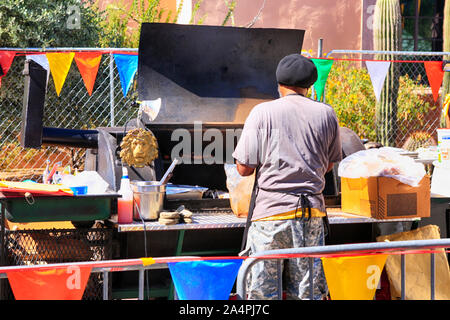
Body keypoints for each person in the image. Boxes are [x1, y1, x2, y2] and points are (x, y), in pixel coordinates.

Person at [232, 53, 342, 300]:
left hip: (269, 218)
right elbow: (329, 164)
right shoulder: (327, 114)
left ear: (278, 83)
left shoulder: (262, 113)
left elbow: (243, 169)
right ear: (310, 85)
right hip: (310, 217)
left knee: (262, 295)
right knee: (307, 293)